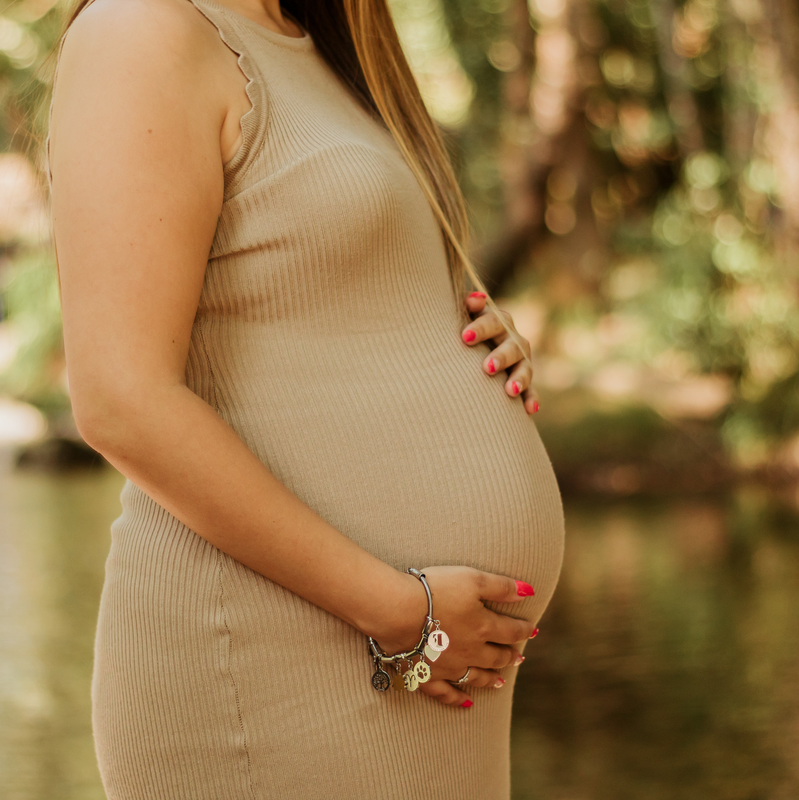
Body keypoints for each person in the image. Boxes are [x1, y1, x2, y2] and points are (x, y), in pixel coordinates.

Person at [45, 0, 565, 795]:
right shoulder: (140, 30)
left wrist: (460, 331)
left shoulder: (321, 43)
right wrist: (400, 611)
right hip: (283, 662)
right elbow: (120, 400)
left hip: (406, 667)